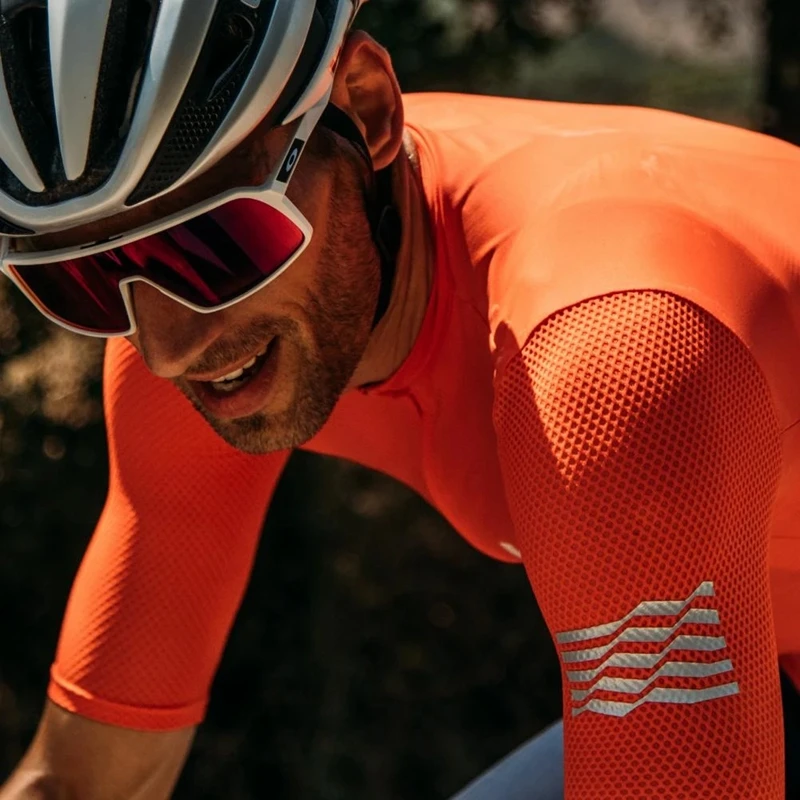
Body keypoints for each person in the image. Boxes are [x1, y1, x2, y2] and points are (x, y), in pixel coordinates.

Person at [0, 0, 798, 797]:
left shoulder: (614, 353)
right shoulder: (187, 326)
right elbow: (80, 783)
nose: (167, 346)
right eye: (80, 278)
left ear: (368, 109)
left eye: (217, 244)